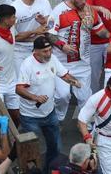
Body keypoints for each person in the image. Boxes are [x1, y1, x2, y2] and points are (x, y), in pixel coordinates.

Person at [16, 37, 82, 170]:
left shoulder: (53, 59)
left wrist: (74, 81)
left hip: (50, 113)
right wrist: (35, 98)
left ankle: (49, 170)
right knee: (33, 149)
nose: (49, 54)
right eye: (45, 51)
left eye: (50, 50)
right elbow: (19, 89)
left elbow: (64, 75)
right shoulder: (27, 65)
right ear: (35, 51)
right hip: (30, 117)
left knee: (56, 147)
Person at [50, 0, 109, 121]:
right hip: (62, 64)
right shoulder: (59, 11)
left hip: (82, 63)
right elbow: (49, 34)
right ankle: (58, 118)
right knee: (63, 96)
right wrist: (62, 46)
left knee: (85, 98)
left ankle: (85, 124)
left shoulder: (90, 11)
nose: (84, 2)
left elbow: (101, 31)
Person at [11, 0, 53, 67]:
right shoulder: (14, 7)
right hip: (19, 50)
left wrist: (44, 22)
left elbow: (51, 25)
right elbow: (14, 37)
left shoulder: (44, 1)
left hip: (40, 47)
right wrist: (34, 32)